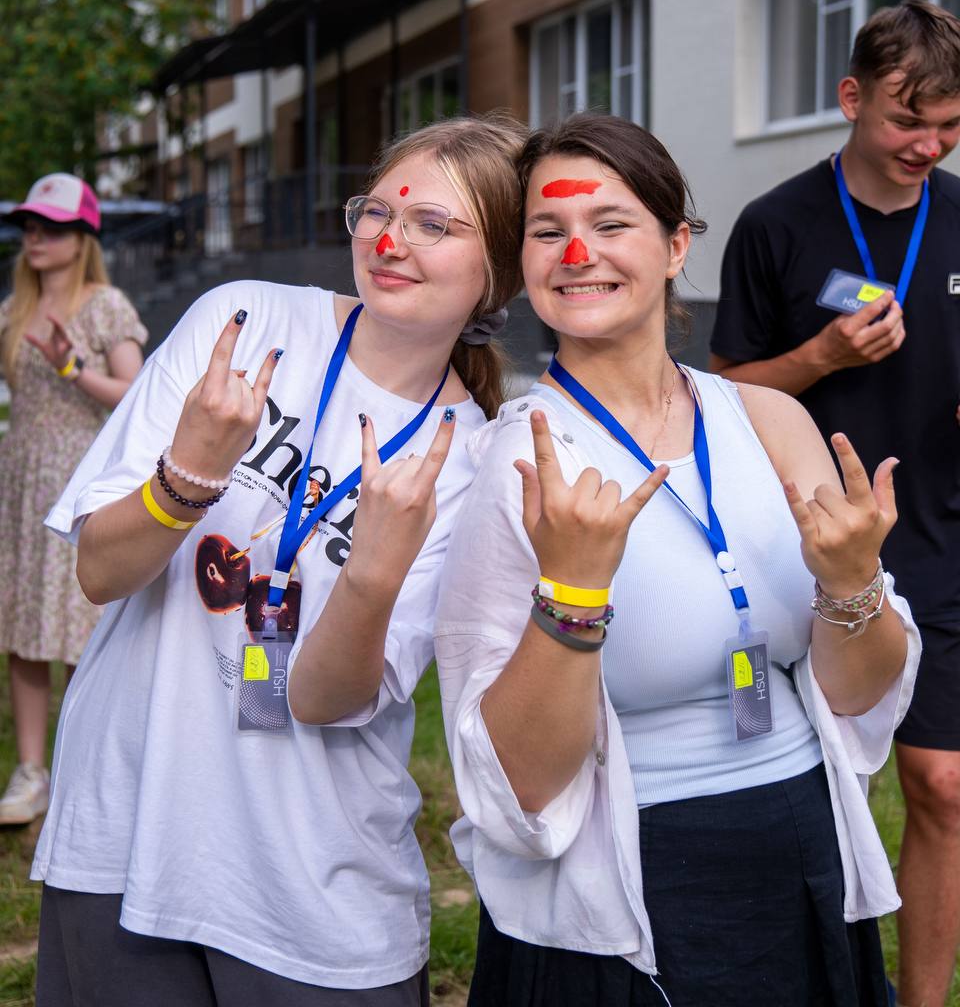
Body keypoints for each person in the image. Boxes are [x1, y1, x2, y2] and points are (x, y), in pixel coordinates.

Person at [31, 115, 524, 1006]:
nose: (389, 239)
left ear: (500, 270)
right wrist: (189, 478)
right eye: (377, 211)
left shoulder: (478, 459)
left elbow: (327, 700)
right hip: (124, 830)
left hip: (309, 889)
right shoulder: (243, 321)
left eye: (434, 225)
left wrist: (373, 571)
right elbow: (100, 573)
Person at [435, 113, 919, 1006]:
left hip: (802, 850)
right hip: (628, 887)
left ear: (674, 244)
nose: (577, 251)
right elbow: (519, 785)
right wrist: (572, 598)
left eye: (610, 224)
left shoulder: (769, 422)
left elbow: (860, 698)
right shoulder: (521, 462)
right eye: (549, 232)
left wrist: (853, 582)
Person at [709, 0, 960, 1007]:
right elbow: (724, 390)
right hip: (804, 547)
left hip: (941, 538)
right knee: (816, 798)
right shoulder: (778, 222)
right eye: (908, 120)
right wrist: (819, 356)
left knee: (942, 786)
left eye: (947, 125)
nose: (928, 144)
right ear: (852, 97)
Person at [0, 173, 146, 826]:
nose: (36, 235)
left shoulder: (106, 305)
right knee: (25, 630)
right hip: (21, 479)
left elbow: (138, 393)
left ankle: (90, 773)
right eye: (30, 224)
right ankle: (31, 774)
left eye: (52, 226)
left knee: (84, 629)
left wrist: (72, 370)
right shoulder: (12, 308)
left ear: (84, 235)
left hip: (83, 479)